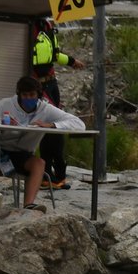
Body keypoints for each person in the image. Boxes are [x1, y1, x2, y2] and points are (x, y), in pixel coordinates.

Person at [0, 76, 86, 214]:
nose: (28, 98)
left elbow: (79, 124)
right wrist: (2, 130)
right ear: (18, 94)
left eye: (32, 95)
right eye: (24, 95)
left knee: (39, 163)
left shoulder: (46, 109)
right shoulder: (4, 105)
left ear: (38, 94)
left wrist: (52, 125)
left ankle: (29, 205)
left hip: (21, 154)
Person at [30, 17, 85, 189]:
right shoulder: (28, 25)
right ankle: (49, 174)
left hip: (51, 83)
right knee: (51, 127)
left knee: (57, 125)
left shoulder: (46, 25)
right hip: (38, 85)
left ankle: (58, 174)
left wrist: (71, 61)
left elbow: (53, 55)